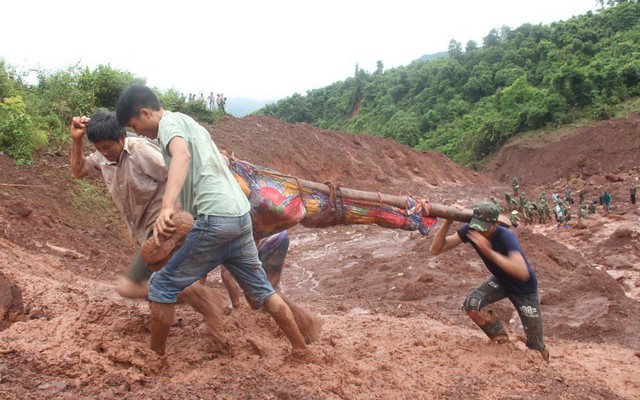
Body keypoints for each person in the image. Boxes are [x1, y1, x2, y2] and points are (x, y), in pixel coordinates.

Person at [115, 85, 313, 359]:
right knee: (263, 291)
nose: (139, 134)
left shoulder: (168, 125)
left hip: (215, 218)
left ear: (145, 113)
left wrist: (167, 207)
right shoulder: (190, 123)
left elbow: (182, 157)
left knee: (161, 286)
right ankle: (301, 350)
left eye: (136, 126)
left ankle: (154, 358)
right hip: (240, 216)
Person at [69, 110, 226, 346]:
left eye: (107, 146)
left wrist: (179, 211)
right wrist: (77, 140)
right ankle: (205, 308)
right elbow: (79, 171)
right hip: (144, 234)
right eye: (98, 147)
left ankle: (203, 300)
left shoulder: (141, 152)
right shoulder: (103, 158)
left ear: (122, 138)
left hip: (165, 229)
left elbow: (180, 169)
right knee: (160, 291)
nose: (103, 152)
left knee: (127, 286)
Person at [429, 202, 549, 362]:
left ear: (496, 224)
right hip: (501, 281)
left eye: (484, 227)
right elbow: (436, 249)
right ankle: (501, 340)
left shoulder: (506, 236)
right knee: (472, 304)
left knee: (536, 346)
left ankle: (545, 366)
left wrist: (488, 251)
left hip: (524, 288)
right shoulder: (472, 230)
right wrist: (447, 222)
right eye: (477, 226)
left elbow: (522, 272)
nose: (480, 231)